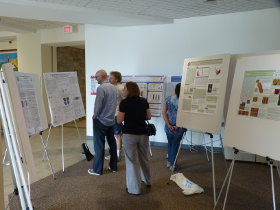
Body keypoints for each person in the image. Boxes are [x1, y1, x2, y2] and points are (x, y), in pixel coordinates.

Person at [117, 82, 151, 195]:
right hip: (143, 134)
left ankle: (134, 189)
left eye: (125, 88)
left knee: (131, 161)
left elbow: (119, 120)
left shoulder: (124, 103)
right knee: (144, 158)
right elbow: (149, 116)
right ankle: (147, 181)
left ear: (129, 90)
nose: (123, 90)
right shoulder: (143, 101)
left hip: (130, 134)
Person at [88, 69, 118, 176]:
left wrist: (95, 114)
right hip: (111, 120)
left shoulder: (101, 88)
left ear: (103, 76)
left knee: (99, 145)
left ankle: (97, 170)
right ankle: (114, 166)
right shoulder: (113, 88)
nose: (95, 79)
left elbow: (98, 104)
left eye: (97, 77)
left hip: (100, 121)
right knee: (112, 143)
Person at [162, 83, 186, 171]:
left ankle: (169, 162)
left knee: (170, 144)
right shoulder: (185, 101)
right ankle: (173, 164)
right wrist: (177, 126)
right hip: (179, 127)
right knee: (175, 145)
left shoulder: (168, 99)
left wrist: (168, 125)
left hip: (168, 126)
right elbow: (185, 116)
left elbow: (164, 112)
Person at [105, 71, 124, 161]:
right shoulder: (110, 87)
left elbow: (124, 101)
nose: (109, 79)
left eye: (111, 78)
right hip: (110, 115)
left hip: (117, 115)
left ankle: (117, 156)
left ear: (116, 79)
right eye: (109, 77)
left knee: (117, 135)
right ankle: (114, 154)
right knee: (113, 135)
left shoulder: (120, 88)